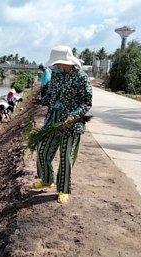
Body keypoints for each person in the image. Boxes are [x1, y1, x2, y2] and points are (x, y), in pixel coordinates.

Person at [33, 45, 92, 204]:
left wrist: (72, 117)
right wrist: (38, 101)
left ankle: (63, 190)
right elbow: (51, 97)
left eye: (57, 63)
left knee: (65, 158)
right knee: (43, 150)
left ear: (66, 62)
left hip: (70, 123)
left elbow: (86, 103)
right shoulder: (57, 76)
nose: (55, 66)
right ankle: (46, 179)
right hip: (53, 119)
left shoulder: (81, 78)